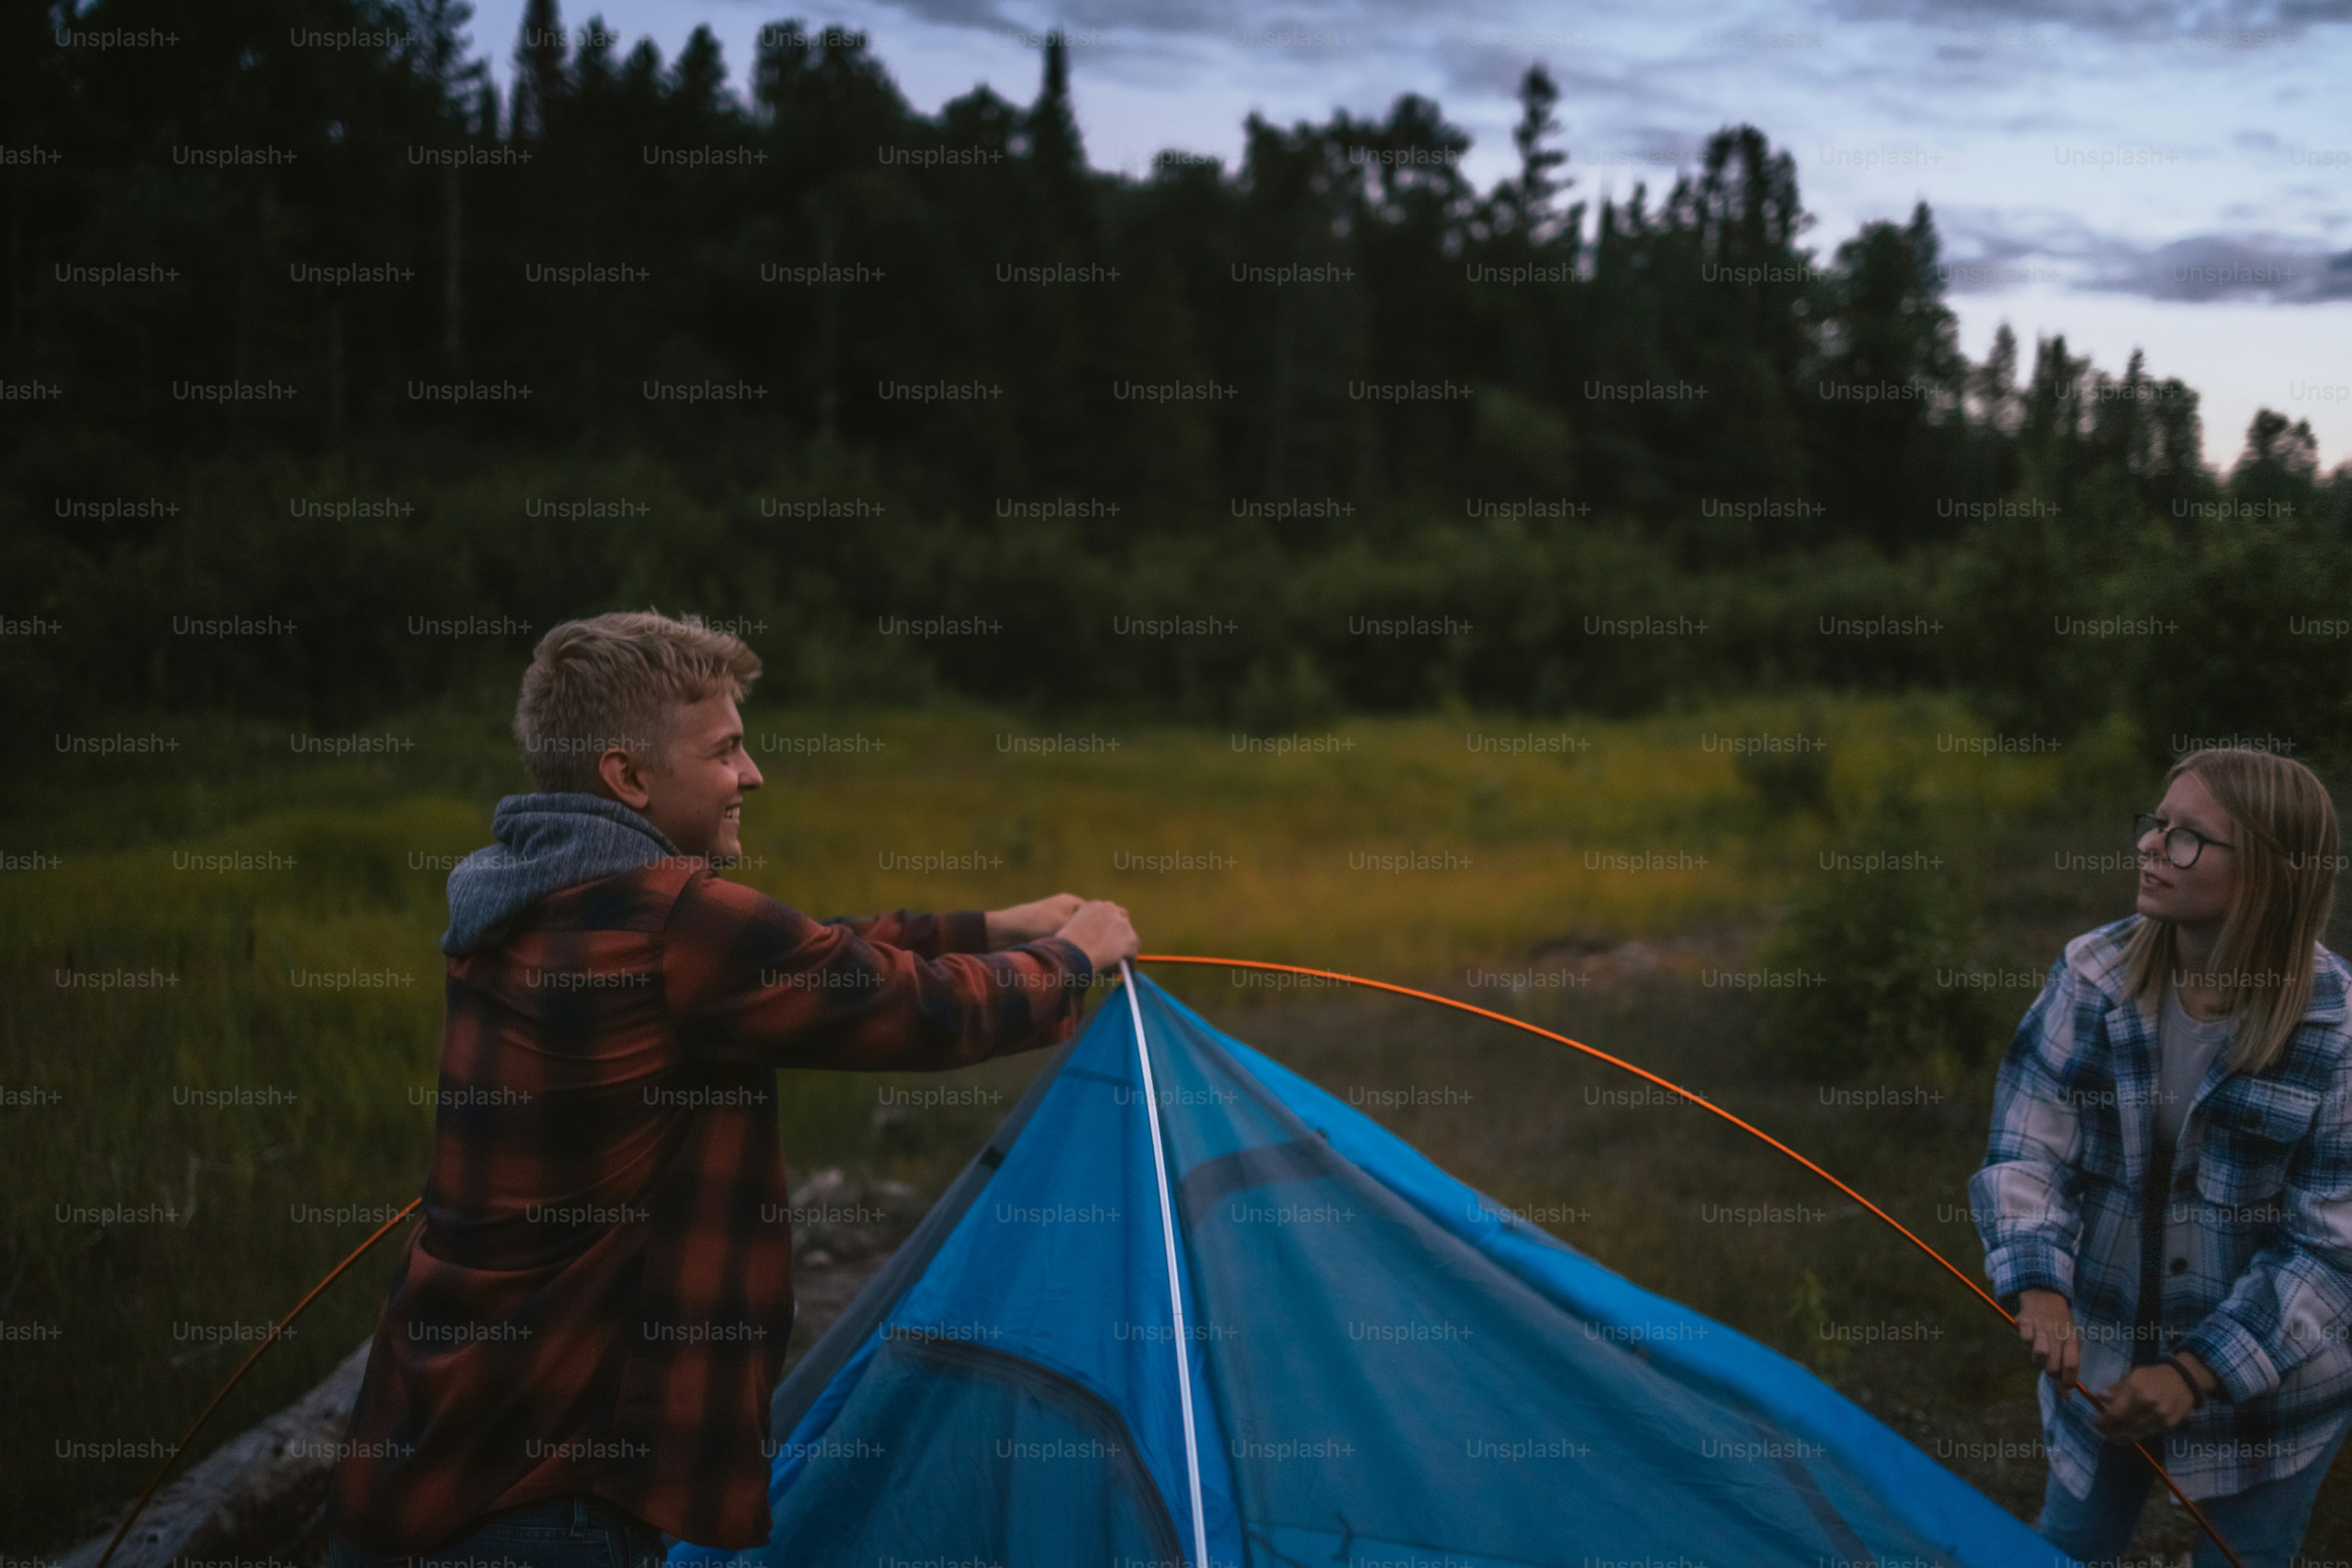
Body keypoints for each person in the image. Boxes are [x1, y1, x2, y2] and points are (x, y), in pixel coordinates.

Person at [325, 611, 1138, 1567]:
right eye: (725, 751)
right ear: (628, 776)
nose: (753, 775)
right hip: (553, 1493)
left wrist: (992, 926)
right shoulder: (674, 925)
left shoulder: (539, 896)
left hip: (424, 1449)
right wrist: (1068, 960)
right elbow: (904, 1006)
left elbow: (807, 956)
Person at [1971, 746, 2352, 1568]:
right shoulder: (2092, 976)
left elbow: (2330, 1249)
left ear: (2269, 874)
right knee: (2070, 1547)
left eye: (2188, 838)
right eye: (2158, 824)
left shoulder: (2340, 1030)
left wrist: (2194, 1371)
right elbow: (2027, 1147)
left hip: (2272, 1394)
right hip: (2104, 1361)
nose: (2151, 845)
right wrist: (2038, 1282)